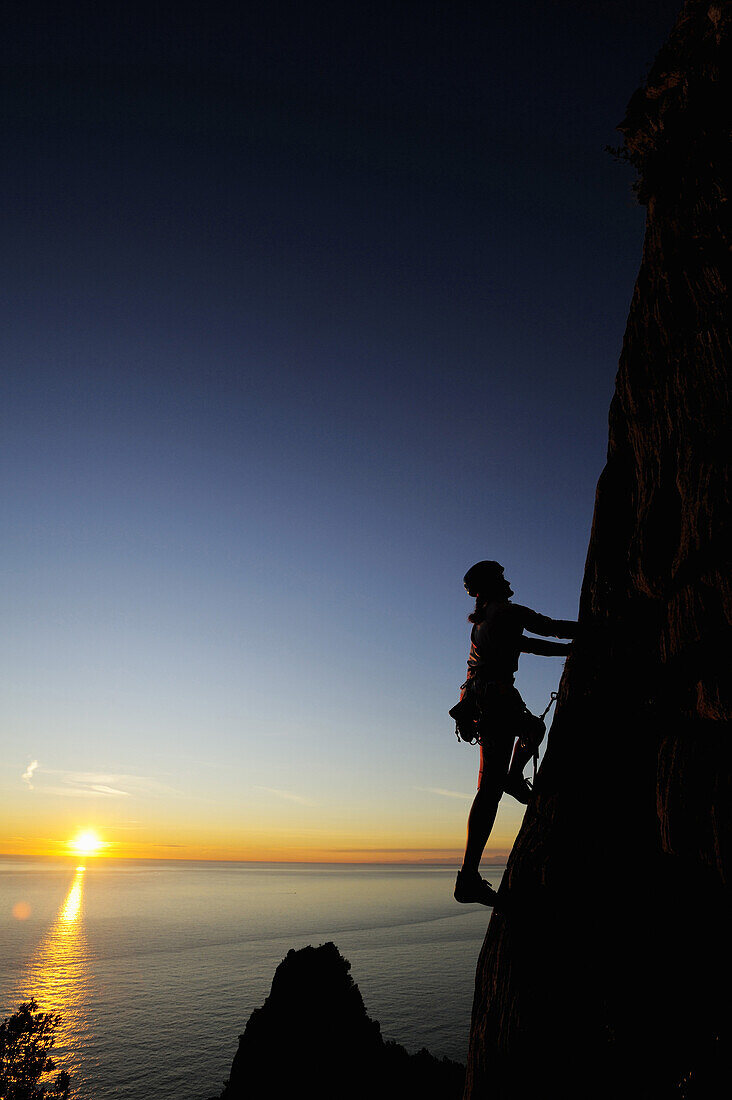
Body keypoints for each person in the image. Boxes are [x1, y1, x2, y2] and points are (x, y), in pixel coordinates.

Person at [453, 560, 577, 907]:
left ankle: (510, 779)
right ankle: (468, 877)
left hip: (483, 702)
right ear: (492, 585)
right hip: (497, 701)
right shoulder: (505, 612)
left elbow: (528, 645)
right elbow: (549, 628)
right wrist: (596, 629)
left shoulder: (483, 622)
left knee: (529, 734)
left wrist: (569, 650)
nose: (508, 582)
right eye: (501, 577)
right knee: (490, 790)